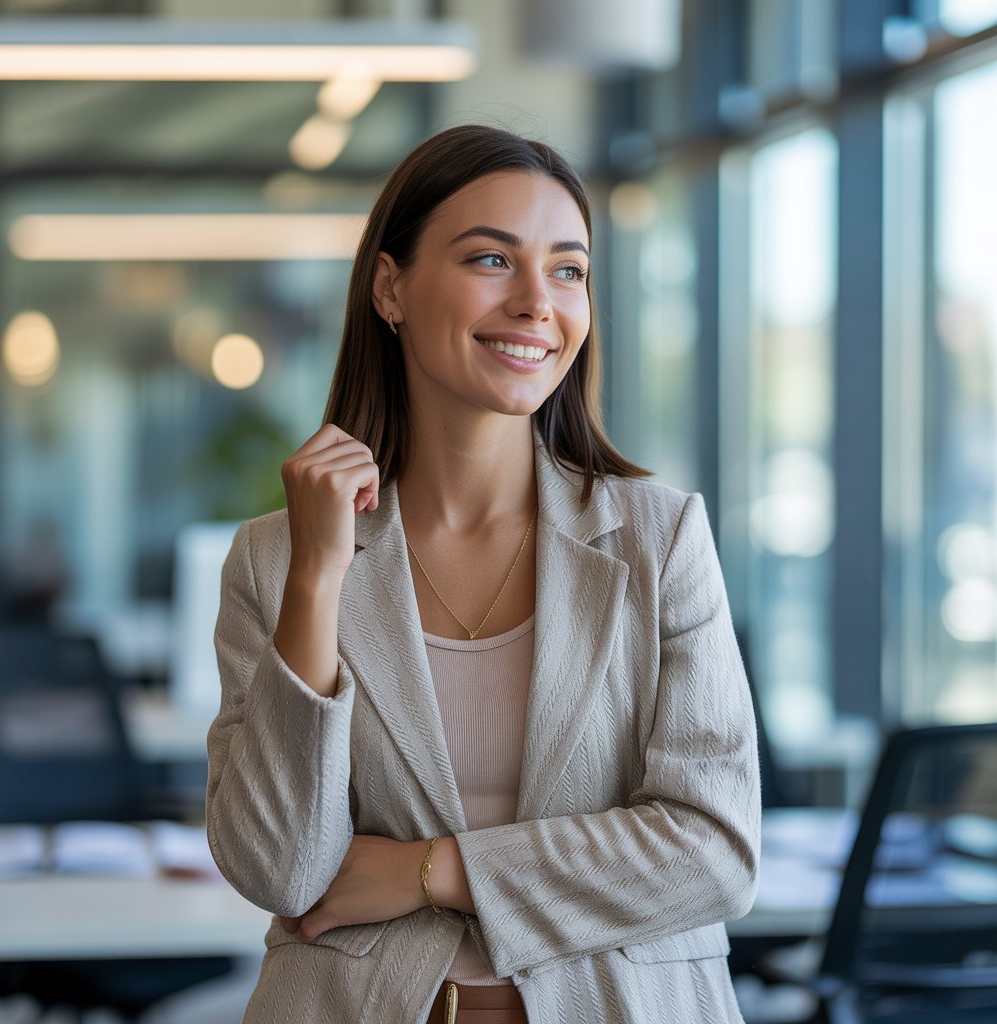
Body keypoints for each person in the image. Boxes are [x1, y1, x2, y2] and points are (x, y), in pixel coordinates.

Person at [206, 123, 760, 1024]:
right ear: (391, 287)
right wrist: (316, 580)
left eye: (569, 269)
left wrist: (432, 871)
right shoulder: (275, 560)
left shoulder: (658, 541)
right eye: (492, 260)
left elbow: (713, 851)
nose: (540, 302)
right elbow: (280, 869)